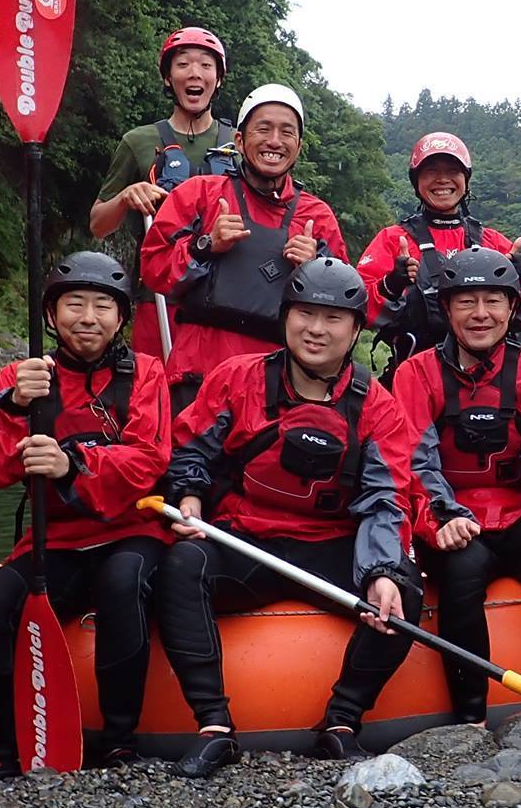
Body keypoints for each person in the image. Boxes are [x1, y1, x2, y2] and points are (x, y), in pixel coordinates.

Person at [157, 256, 424, 775]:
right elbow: (190, 451)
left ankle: (342, 723)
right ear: (285, 317)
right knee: (183, 564)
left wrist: (383, 572)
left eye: (333, 319)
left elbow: (384, 498)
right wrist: (189, 498)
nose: (316, 329)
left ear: (355, 331)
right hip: (245, 536)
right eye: (304, 314)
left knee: (404, 590)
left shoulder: (377, 406)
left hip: (329, 544)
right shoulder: (238, 379)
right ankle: (214, 727)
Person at [0, 251, 171, 786]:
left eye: (103, 306)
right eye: (75, 304)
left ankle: (120, 743)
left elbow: (149, 459)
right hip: (56, 539)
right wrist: (9, 405)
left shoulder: (144, 373)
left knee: (124, 582)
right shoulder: (21, 377)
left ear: (121, 319)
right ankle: (5, 753)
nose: (88, 318)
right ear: (52, 315)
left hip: (129, 531)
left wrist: (71, 463)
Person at [390, 246, 521, 724]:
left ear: (512, 309)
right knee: (462, 570)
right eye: (466, 302)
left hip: (520, 513)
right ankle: (471, 715)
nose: (481, 315)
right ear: (446, 309)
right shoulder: (416, 373)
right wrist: (442, 515)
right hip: (455, 518)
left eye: (494, 301)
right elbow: (416, 460)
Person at [139, 83, 348, 405]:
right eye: (263, 129)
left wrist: (315, 270)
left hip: (279, 386)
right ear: (239, 140)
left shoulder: (316, 216)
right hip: (199, 377)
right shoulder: (199, 194)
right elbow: (153, 270)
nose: (274, 141)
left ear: (299, 145)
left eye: (286, 132)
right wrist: (204, 245)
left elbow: (344, 308)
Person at [88, 27, 237, 356]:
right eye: (183, 64)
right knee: (157, 399)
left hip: (229, 304)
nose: (194, 73)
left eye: (206, 65)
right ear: (168, 78)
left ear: (219, 79)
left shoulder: (241, 144)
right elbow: (98, 224)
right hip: (159, 301)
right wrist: (127, 196)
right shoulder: (138, 142)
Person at [356, 131, 521, 376]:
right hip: (414, 381)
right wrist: (390, 285)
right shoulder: (393, 240)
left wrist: (519, 284)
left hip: (490, 383)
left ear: (466, 180)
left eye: (452, 171)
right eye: (431, 171)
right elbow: (358, 315)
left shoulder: (495, 243)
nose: (442, 180)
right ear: (416, 181)